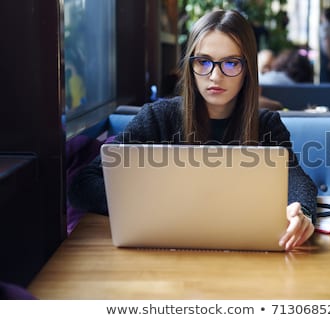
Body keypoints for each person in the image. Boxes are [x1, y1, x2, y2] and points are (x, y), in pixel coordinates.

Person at [68, 9, 317, 251]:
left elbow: (297, 180)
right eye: (203, 62)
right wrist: (147, 204)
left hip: (244, 254)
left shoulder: (267, 125)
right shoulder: (158, 118)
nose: (215, 76)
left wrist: (302, 213)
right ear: (190, 66)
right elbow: (82, 184)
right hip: (163, 255)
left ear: (248, 70)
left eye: (231, 64)